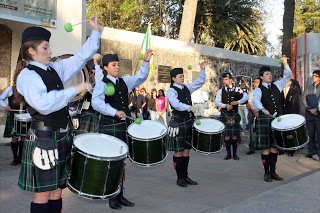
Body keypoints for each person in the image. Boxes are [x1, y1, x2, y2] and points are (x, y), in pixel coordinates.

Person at [15, 17, 100, 213]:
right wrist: (75, 89)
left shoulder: (53, 69)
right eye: (45, 47)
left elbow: (79, 59)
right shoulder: (28, 76)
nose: (50, 51)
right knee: (43, 194)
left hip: (61, 135)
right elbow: (43, 104)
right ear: (31, 51)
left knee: (57, 191)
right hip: (44, 138)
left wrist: (95, 32)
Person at [92, 50, 153, 210]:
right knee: (111, 162)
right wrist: (113, 111)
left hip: (122, 127)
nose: (117, 67)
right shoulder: (102, 84)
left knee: (121, 162)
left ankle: (120, 194)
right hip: (109, 126)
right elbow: (96, 103)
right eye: (114, 65)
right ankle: (112, 196)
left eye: (118, 65)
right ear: (105, 67)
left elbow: (141, 76)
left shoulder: (125, 81)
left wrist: (145, 62)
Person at [167, 61, 207, 187]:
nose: (182, 78)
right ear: (173, 79)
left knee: (186, 151)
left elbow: (199, 82)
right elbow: (175, 104)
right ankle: (179, 178)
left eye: (183, 76)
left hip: (188, 122)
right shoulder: (171, 91)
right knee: (178, 151)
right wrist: (189, 107)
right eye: (180, 76)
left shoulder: (187, 88)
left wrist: (202, 69)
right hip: (178, 123)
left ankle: (185, 176)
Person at [253, 55, 291, 182]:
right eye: (267, 74)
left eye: (270, 73)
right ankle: (266, 173)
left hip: (276, 120)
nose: (270, 75)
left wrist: (285, 64)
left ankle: (273, 172)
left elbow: (288, 76)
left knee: (274, 147)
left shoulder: (277, 85)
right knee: (266, 147)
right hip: (264, 119)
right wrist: (263, 109)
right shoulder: (259, 89)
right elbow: (255, 101)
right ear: (262, 77)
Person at [215, 73, 249, 160]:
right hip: (225, 114)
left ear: (231, 80)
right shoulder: (220, 91)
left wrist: (238, 102)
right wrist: (225, 105)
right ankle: (228, 154)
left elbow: (245, 97)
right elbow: (217, 102)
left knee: (234, 135)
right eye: (223, 79)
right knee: (226, 136)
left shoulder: (237, 89)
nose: (224, 81)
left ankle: (235, 154)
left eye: (226, 79)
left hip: (234, 114)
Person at [0, 86, 26, 165]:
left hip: (24, 115)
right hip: (13, 115)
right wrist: (5, 106)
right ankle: (15, 158)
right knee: (14, 137)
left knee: (23, 137)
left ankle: (20, 157)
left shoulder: (27, 88)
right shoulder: (10, 89)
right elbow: (0, 98)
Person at [281, 79, 302, 156]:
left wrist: (296, 115)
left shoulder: (294, 91)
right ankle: (283, 148)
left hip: (291, 114)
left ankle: (291, 149)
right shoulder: (279, 90)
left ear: (290, 83)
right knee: (283, 132)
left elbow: (297, 104)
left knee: (291, 132)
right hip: (282, 114)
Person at [303, 70, 320, 159]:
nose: (313, 77)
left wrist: (317, 109)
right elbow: (304, 100)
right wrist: (309, 109)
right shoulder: (308, 87)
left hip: (318, 115)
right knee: (311, 134)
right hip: (309, 115)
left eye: (316, 76)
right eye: (313, 75)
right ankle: (311, 151)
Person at [246, 78, 261, 155]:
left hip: (261, 112)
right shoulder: (252, 92)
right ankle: (252, 147)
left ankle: (260, 145)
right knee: (252, 131)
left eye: (258, 82)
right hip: (253, 112)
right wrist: (254, 110)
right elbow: (249, 102)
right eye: (255, 82)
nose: (256, 84)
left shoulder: (263, 92)